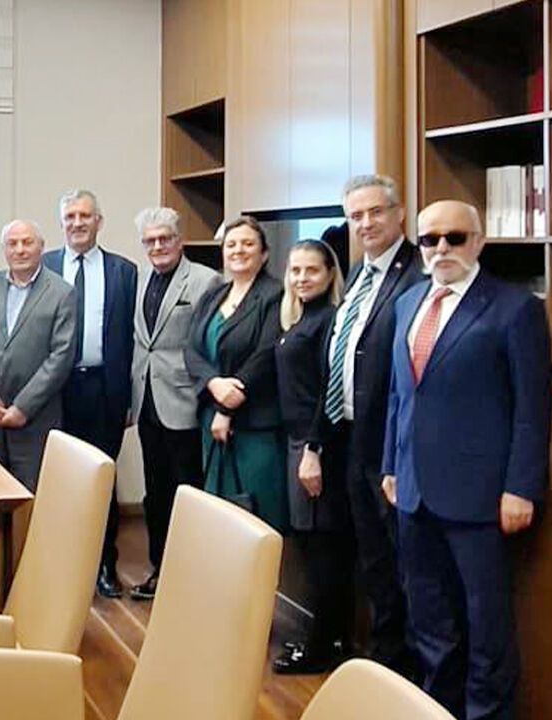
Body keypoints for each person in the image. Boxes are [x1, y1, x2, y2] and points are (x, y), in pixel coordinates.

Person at [382, 200, 550, 719]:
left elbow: (532, 407)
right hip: (412, 492)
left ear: (478, 242)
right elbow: (399, 395)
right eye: (430, 239)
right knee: (429, 622)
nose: (442, 249)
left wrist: (521, 487)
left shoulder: (514, 308)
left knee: (486, 627)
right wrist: (390, 465)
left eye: (455, 238)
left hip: (481, 496)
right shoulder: (408, 303)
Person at [322, 174, 422, 676]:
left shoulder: (418, 273)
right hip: (353, 439)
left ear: (399, 214)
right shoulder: (359, 273)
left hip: (393, 445)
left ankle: (409, 672)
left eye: (375, 212)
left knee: (405, 563)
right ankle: (385, 662)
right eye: (355, 216)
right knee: (374, 560)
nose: (365, 223)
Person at [41, 189, 138, 597]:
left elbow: (132, 339)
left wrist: (129, 397)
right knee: (59, 479)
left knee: (102, 479)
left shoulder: (124, 271)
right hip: (54, 390)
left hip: (103, 390)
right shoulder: (44, 266)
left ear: (99, 221)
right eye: (70, 217)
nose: (77, 223)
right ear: (61, 222)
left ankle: (104, 565)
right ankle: (61, 567)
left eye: (85, 216)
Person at [127, 207, 219, 600]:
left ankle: (192, 578)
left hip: (184, 401)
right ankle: (160, 570)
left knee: (188, 492)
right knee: (156, 491)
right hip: (147, 401)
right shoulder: (140, 279)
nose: (157, 246)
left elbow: (209, 343)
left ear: (179, 240)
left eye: (165, 238)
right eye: (149, 240)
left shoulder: (205, 281)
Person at [272, 239, 355, 674]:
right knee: (310, 542)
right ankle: (327, 635)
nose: (303, 278)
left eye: (312, 271)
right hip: (296, 441)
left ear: (330, 274)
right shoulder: (300, 317)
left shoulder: (330, 321)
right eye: (296, 270)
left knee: (323, 546)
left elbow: (329, 390)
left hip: (314, 445)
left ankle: (322, 647)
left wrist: (313, 449)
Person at [185, 215, 287, 531]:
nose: (238, 250)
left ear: (264, 253)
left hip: (253, 423)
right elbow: (191, 349)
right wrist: (213, 383)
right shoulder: (214, 295)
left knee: (257, 518)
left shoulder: (276, 295)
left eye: (247, 244)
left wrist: (227, 407)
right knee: (219, 515)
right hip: (211, 420)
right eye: (231, 244)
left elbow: (266, 354)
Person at [0, 219, 76, 490]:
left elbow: (61, 356)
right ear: (4, 249)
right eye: (12, 244)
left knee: (29, 497)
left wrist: (23, 407)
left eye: (27, 242)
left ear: (41, 247)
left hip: (35, 420)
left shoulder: (62, 293)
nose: (20, 250)